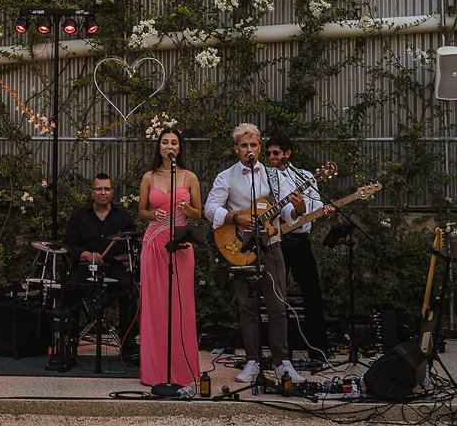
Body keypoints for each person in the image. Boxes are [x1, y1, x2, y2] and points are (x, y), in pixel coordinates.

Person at [204, 122, 306, 384]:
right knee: (247, 306)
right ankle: (252, 360)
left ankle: (282, 363)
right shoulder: (225, 176)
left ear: (259, 147)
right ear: (236, 148)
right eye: (244, 145)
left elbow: (286, 214)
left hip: (270, 245)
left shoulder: (275, 176)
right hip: (240, 247)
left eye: (253, 145)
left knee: (278, 306)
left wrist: (298, 209)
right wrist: (236, 218)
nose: (249, 149)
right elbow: (209, 209)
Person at [137, 126, 203, 389]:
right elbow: (141, 211)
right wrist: (153, 215)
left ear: (179, 148)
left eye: (174, 142)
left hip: (181, 244)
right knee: (155, 306)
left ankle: (182, 370)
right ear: (159, 147)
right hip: (154, 243)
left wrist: (186, 208)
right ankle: (155, 372)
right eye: (165, 141)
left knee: (181, 304)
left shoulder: (189, 177)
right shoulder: (148, 177)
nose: (170, 145)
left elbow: (198, 214)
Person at [266, 135, 336, 358]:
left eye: (275, 153)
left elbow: (314, 206)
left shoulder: (306, 177)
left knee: (312, 292)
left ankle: (318, 348)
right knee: (278, 296)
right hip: (275, 240)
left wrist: (323, 212)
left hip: (300, 242)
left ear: (287, 153)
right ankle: (281, 350)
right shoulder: (266, 177)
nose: (271, 157)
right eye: (268, 153)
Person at [63, 172, 140, 362]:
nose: (103, 192)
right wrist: (86, 255)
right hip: (84, 268)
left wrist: (130, 257)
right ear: (92, 192)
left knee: (130, 289)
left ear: (112, 192)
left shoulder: (123, 216)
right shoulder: (79, 216)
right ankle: (70, 343)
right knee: (70, 288)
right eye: (99, 189)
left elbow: (133, 243)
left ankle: (128, 347)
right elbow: (68, 245)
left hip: (113, 266)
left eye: (106, 189)